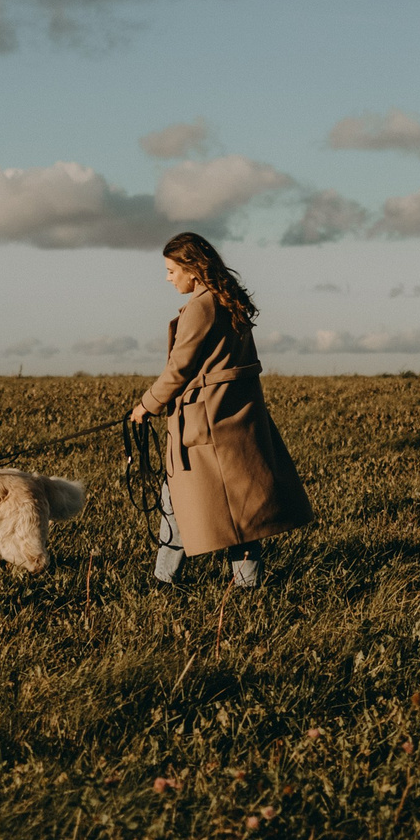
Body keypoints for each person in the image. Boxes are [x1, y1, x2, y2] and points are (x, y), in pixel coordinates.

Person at [129, 231, 313, 587]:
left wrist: (145, 406)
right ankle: (245, 584)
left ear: (191, 270)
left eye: (171, 270)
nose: (168, 278)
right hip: (233, 418)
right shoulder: (227, 300)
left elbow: (179, 368)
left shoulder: (200, 307)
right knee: (242, 508)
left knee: (178, 500)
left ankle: (165, 581)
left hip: (205, 424)